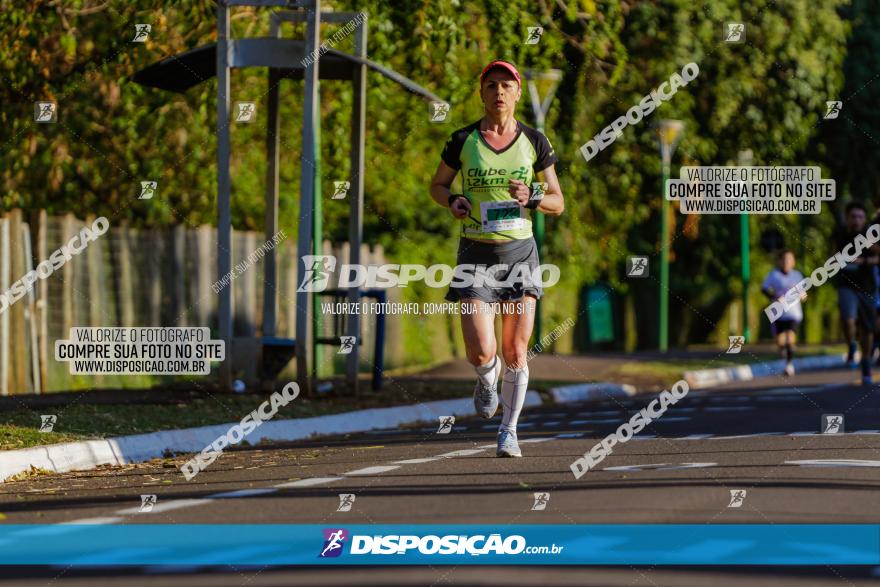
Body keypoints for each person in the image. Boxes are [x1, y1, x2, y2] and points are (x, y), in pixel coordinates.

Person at [429, 60, 564, 457]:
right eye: (492, 86)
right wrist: (452, 200)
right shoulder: (463, 140)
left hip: (520, 252)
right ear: (482, 93)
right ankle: (485, 378)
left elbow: (558, 201)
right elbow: (437, 185)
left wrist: (534, 197)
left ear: (518, 93)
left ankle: (509, 431)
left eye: (507, 85)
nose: (499, 92)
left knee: (517, 351)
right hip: (475, 251)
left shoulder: (535, 142)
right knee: (481, 350)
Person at [832, 201, 879, 384]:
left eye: (860, 217)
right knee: (848, 318)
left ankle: (866, 362)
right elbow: (830, 256)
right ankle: (851, 346)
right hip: (846, 285)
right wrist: (840, 259)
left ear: (865, 219)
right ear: (847, 218)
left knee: (868, 329)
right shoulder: (839, 234)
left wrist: (863, 261)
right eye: (853, 216)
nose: (856, 220)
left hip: (867, 286)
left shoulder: (871, 236)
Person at [761, 250, 806, 376]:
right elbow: (764, 289)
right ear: (780, 261)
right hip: (778, 312)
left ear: (793, 262)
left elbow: (803, 294)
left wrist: (803, 296)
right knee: (780, 342)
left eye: (790, 259)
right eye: (784, 259)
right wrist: (774, 296)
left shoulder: (797, 275)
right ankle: (784, 352)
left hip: (794, 313)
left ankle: (789, 365)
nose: (787, 262)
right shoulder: (773, 275)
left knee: (790, 338)